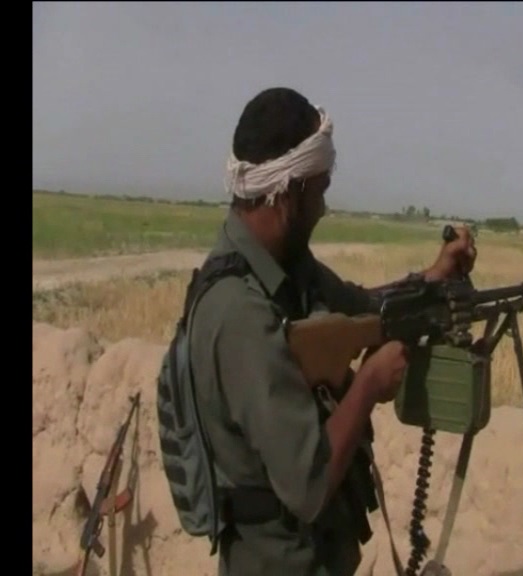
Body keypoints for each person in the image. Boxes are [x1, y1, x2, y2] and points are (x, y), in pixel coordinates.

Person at [188, 87, 477, 576]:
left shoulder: (284, 269)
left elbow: (363, 306)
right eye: (319, 191)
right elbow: (310, 484)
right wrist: (369, 385)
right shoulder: (239, 314)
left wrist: (433, 277)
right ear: (286, 195)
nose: (323, 208)